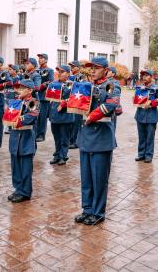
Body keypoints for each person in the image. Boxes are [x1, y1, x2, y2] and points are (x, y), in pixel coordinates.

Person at [74, 57, 121, 225]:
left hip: (101, 136)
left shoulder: (112, 85)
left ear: (106, 70)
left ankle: (98, 212)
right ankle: (87, 209)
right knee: (86, 177)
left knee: (99, 178)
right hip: (86, 136)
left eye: (96, 68)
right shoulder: (87, 85)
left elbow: (110, 105)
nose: (92, 70)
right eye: (91, 68)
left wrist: (92, 117)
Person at [8, 79, 39, 203]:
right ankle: (18, 188)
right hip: (15, 136)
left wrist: (17, 119)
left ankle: (25, 191)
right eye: (18, 88)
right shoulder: (16, 102)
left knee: (25, 166)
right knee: (15, 164)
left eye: (22, 88)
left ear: (30, 90)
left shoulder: (34, 102)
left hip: (26, 136)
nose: (19, 90)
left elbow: (32, 116)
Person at [134, 69, 158, 163]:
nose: (144, 77)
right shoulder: (139, 88)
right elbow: (137, 99)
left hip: (151, 116)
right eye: (143, 75)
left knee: (150, 137)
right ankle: (141, 154)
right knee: (141, 136)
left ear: (151, 77)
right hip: (140, 115)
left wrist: (152, 102)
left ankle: (148, 155)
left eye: (147, 75)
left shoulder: (157, 88)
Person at [49, 65, 74, 165]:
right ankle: (57, 154)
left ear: (68, 74)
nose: (59, 73)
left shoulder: (72, 84)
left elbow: (75, 99)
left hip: (66, 114)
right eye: (59, 71)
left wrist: (64, 103)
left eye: (62, 71)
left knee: (64, 137)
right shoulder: (53, 83)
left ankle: (63, 156)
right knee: (57, 137)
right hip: (54, 114)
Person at [36, 53, 54, 142]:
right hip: (36, 96)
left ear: (46, 60)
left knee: (42, 117)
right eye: (39, 58)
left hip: (43, 96)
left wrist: (43, 85)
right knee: (36, 116)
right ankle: (36, 133)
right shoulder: (36, 70)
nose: (39, 59)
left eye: (41, 58)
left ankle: (41, 134)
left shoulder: (50, 70)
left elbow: (51, 81)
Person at [68, 60, 83, 149]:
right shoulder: (70, 77)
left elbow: (82, 88)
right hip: (71, 101)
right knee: (71, 122)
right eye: (71, 66)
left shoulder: (81, 77)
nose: (72, 68)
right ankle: (71, 139)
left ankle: (76, 141)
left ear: (78, 67)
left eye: (73, 66)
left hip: (78, 102)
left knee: (77, 122)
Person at [107, 66, 122, 131]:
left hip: (110, 110)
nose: (106, 72)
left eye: (109, 71)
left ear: (113, 74)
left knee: (110, 130)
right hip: (101, 111)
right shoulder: (103, 81)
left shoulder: (114, 82)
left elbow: (110, 95)